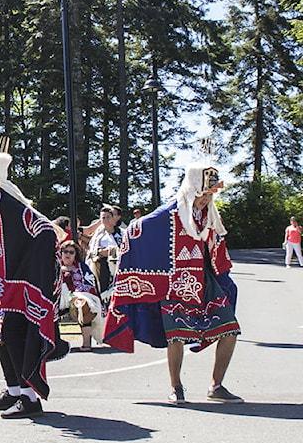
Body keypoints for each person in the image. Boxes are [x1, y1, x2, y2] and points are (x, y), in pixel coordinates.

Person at [103, 165, 243, 404]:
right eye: (203, 194)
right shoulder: (171, 211)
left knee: (230, 330)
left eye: (210, 195)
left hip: (205, 280)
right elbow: (137, 229)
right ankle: (176, 386)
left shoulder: (209, 214)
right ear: (191, 190)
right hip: (173, 281)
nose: (206, 199)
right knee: (175, 335)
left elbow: (215, 241)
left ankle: (216, 386)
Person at [0, 139, 67, 419]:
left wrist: (27, 272)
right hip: (0, 281)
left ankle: (30, 398)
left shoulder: (3, 201)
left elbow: (44, 230)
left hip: (16, 283)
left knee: (12, 333)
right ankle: (15, 389)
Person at [57, 239, 102, 351]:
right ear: (61, 253)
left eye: (71, 252)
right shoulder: (54, 266)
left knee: (85, 305)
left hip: (78, 298)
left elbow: (90, 284)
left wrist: (78, 295)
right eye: (65, 251)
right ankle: (54, 343)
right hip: (57, 299)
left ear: (75, 255)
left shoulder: (82, 268)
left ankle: (86, 343)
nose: (68, 254)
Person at [87, 204, 124, 294]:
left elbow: (126, 248)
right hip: (101, 266)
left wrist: (112, 252)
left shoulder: (121, 233)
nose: (106, 220)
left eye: (108, 217)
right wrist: (99, 252)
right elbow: (91, 251)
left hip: (118, 265)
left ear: (113, 218)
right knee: (103, 289)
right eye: (103, 217)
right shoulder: (98, 235)